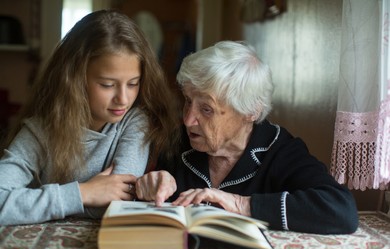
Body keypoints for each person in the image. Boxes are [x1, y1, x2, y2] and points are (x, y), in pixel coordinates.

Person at [134, 41, 359, 234]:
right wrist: (146, 189)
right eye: (187, 101)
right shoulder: (179, 143)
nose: (188, 119)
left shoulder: (279, 150)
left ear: (249, 112)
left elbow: (341, 210)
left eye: (206, 109)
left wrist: (242, 204)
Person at [0, 10, 180, 225]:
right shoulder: (40, 130)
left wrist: (35, 203)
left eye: (133, 83)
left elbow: (114, 204)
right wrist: (83, 193)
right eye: (107, 85)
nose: (123, 99)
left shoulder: (135, 122)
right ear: (74, 79)